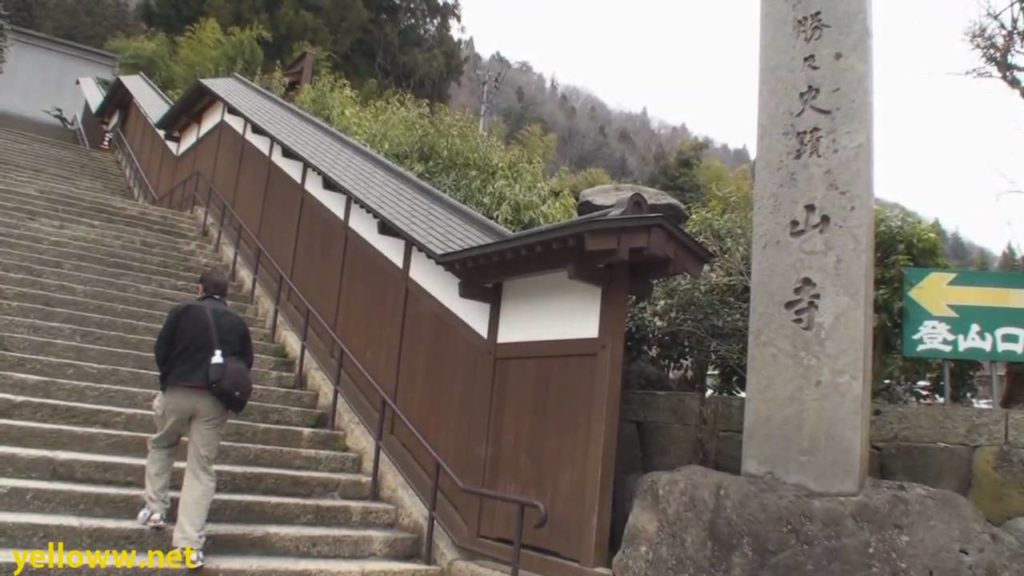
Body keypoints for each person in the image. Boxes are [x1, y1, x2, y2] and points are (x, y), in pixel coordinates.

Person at [137, 268, 254, 568]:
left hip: (177, 389)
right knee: (201, 469)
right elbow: (245, 364)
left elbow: (161, 349)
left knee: (163, 445)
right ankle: (189, 544)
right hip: (214, 401)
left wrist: (169, 380)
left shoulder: (182, 311)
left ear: (199, 288)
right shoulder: (238, 323)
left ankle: (155, 510)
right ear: (226, 293)